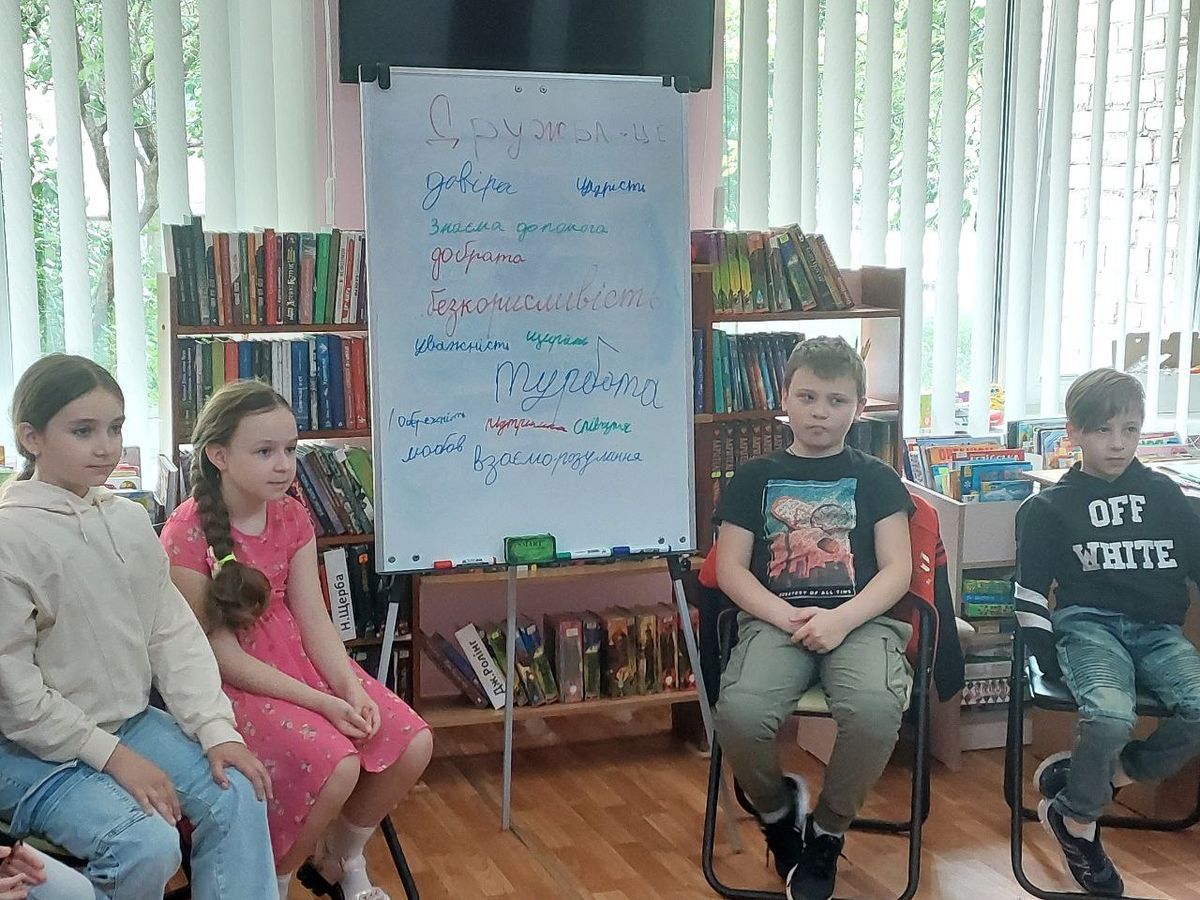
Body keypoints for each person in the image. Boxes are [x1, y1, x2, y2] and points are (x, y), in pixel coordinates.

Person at [0, 354, 276, 899]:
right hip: (30, 751)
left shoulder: (127, 520)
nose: (106, 447)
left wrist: (216, 729)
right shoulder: (11, 538)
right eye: (84, 431)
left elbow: (171, 635)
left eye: (116, 428)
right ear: (32, 437)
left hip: (129, 722)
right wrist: (114, 758)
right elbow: (15, 693)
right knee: (146, 843)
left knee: (239, 789)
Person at [162, 380, 432, 900]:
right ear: (219, 455)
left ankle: (341, 857)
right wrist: (321, 702)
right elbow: (218, 655)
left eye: (290, 449)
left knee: (411, 741)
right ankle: (273, 880)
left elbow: (313, 617)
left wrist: (348, 687)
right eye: (265, 451)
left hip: (300, 661)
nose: (284, 464)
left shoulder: (291, 514)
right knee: (337, 764)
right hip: (235, 682)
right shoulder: (185, 534)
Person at [711, 336, 914, 900]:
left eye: (836, 400)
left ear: (859, 407)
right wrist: (787, 617)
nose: (820, 412)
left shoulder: (878, 478)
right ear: (785, 398)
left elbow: (897, 570)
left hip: (860, 621)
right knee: (741, 714)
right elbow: (730, 569)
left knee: (874, 711)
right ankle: (779, 815)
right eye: (807, 397)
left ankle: (826, 832)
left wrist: (841, 620)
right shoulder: (753, 476)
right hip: (774, 620)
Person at [1015, 368, 1200, 896]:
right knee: (1110, 714)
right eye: (1102, 430)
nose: (1118, 444)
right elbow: (1028, 594)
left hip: (1159, 632)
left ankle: (1097, 782)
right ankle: (1080, 823)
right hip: (1088, 627)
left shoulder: (1167, 496)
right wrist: (1047, 660)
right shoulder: (1050, 507)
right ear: (1072, 432)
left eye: (1130, 430)